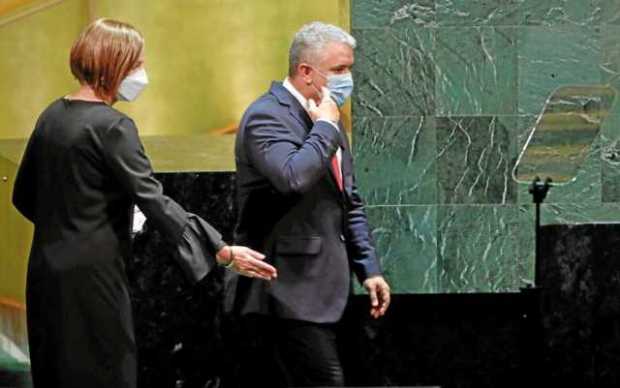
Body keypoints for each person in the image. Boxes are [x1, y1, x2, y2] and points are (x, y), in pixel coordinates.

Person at [11, 18, 276, 388]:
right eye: (137, 64)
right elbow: (154, 200)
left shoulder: (51, 115)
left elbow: (22, 196)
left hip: (45, 269)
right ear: (114, 65)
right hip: (94, 276)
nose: (142, 74)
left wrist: (71, 220)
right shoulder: (113, 127)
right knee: (107, 370)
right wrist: (222, 250)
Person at [233, 21, 391, 387]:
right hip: (286, 290)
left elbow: (348, 202)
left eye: (349, 68)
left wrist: (369, 269)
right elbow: (292, 178)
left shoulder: (328, 118)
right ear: (306, 72)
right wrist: (325, 129)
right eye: (338, 70)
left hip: (331, 291)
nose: (346, 79)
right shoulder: (267, 116)